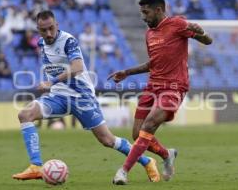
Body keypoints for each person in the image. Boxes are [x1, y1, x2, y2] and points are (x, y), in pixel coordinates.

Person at [12, 10, 160, 182]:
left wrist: (52, 81)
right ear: (38, 30)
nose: (49, 33)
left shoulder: (68, 41)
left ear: (57, 25)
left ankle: (147, 161)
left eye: (51, 28)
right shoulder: (41, 44)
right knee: (25, 114)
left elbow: (78, 67)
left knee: (107, 139)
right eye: (44, 30)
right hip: (59, 97)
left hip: (81, 97)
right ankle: (36, 166)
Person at [108, 0, 212, 185]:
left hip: (174, 87)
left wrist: (202, 33)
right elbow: (154, 64)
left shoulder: (178, 24)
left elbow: (208, 42)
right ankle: (167, 155)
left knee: (149, 125)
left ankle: (123, 171)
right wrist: (127, 72)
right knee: (137, 134)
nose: (143, 17)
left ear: (158, 10)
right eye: (141, 12)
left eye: (146, 12)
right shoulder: (149, 34)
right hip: (153, 85)